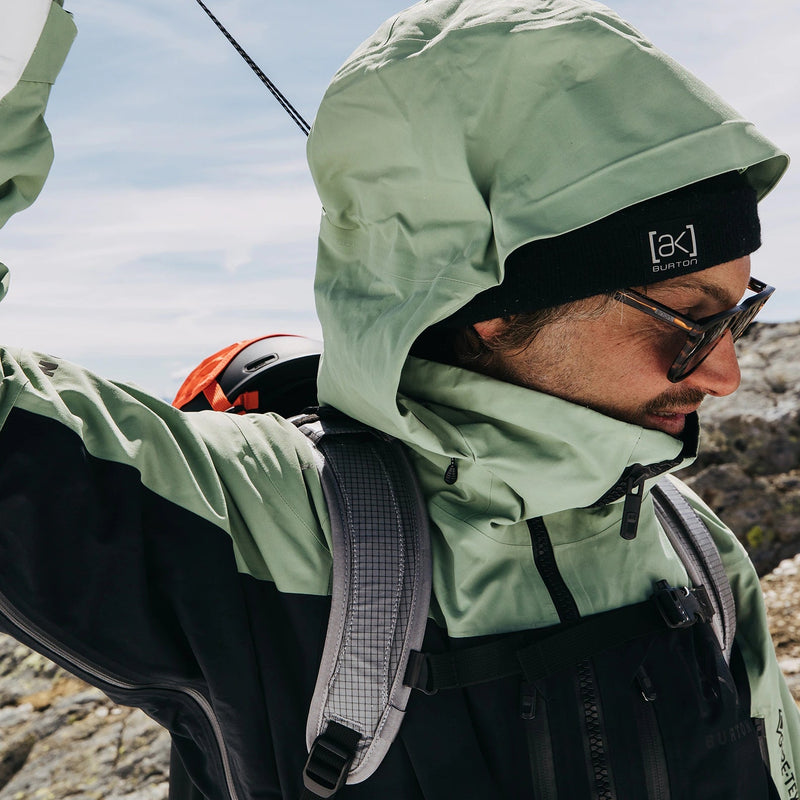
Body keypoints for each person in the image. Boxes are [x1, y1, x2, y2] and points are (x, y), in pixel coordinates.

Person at [0, 1, 798, 799]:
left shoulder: (695, 550)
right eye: (690, 318)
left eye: (736, 313)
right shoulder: (256, 525)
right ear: (496, 306)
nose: (725, 374)